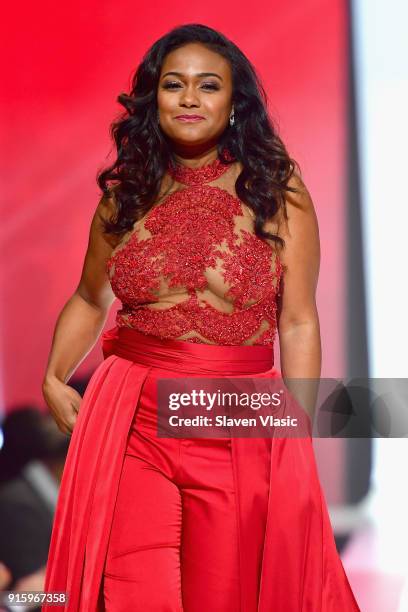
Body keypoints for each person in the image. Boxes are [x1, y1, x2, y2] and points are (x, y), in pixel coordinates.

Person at [41, 23, 360, 612]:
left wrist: (296, 431)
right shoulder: (126, 193)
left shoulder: (275, 190)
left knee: (226, 596)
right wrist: (54, 377)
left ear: (234, 103)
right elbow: (90, 298)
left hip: (237, 416)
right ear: (151, 99)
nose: (189, 98)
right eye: (173, 85)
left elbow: (298, 321)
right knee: (137, 594)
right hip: (131, 414)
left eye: (207, 85)